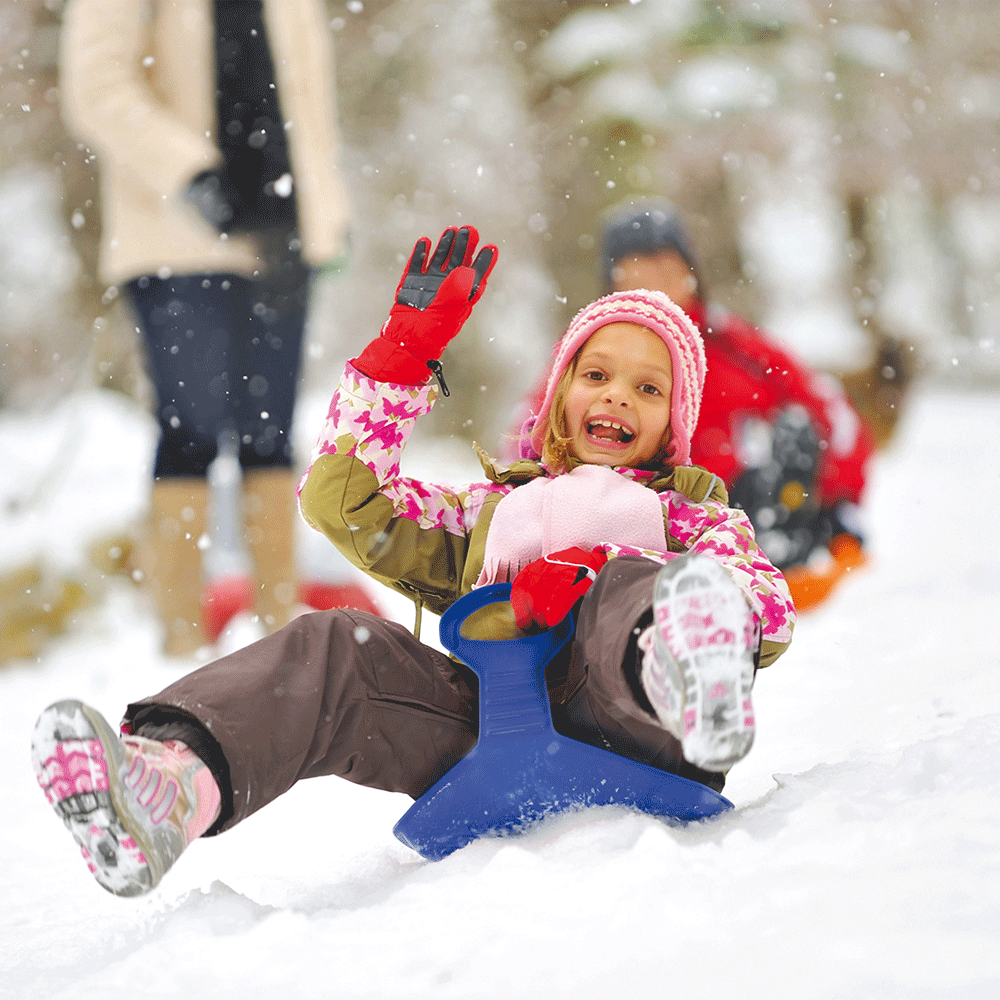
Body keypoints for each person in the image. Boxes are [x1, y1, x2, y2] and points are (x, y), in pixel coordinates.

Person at [30, 226, 795, 898]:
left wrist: (605, 567)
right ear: (560, 396)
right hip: (493, 731)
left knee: (645, 589)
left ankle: (685, 671)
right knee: (336, 644)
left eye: (648, 387)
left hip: (643, 727)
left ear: (674, 423)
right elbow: (344, 497)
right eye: (595, 375)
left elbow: (766, 601)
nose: (617, 396)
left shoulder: (688, 514)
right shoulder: (492, 518)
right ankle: (169, 792)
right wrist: (403, 356)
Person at [59, 0, 353, 654]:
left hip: (283, 230)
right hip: (174, 235)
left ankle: (282, 644)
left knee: (270, 436)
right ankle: (178, 647)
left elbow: (304, 89)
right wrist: (188, 170)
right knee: (190, 430)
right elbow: (96, 86)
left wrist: (327, 205)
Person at [508, 200, 875, 610]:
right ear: (613, 284)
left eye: (666, 271)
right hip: (633, 516)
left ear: (691, 276)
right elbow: (530, 430)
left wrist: (839, 498)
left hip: (737, 511)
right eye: (637, 274)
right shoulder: (589, 352)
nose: (656, 287)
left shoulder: (733, 346)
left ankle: (775, 557)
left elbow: (830, 412)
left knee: (796, 430)